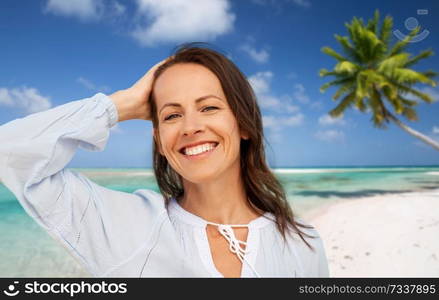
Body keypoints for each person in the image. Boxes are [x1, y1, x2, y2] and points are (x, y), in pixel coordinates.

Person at [0, 43, 329, 278]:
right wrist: (120, 106)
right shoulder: (124, 226)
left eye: (209, 107)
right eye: (172, 115)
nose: (190, 127)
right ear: (158, 141)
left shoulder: (303, 242)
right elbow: (9, 152)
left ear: (242, 124)